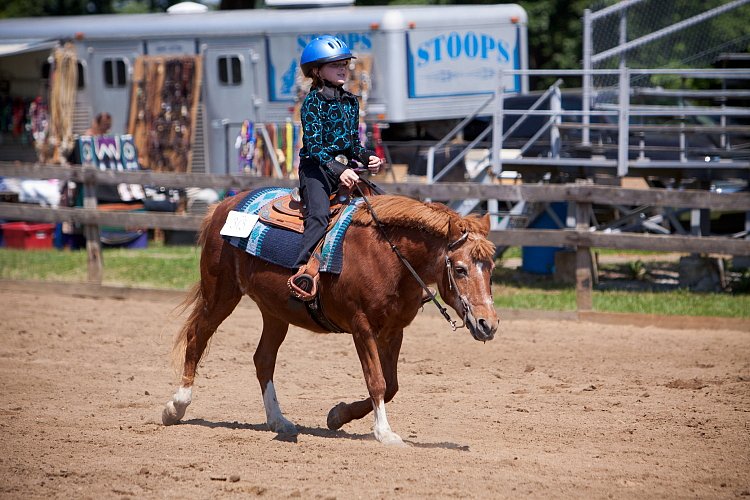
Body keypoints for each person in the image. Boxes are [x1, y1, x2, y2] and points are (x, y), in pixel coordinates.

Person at [290, 35, 382, 294]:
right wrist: (341, 171)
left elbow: (353, 145)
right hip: (316, 170)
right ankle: (302, 272)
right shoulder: (312, 103)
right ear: (317, 71)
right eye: (335, 65)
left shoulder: (351, 102)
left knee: (382, 205)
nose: (343, 68)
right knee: (319, 216)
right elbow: (315, 147)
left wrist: (368, 157)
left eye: (344, 64)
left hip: (346, 170)